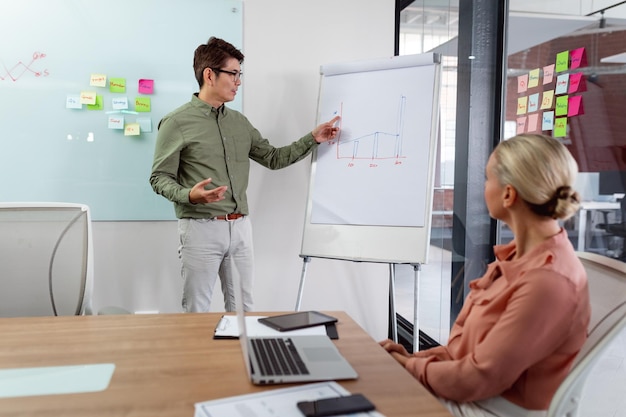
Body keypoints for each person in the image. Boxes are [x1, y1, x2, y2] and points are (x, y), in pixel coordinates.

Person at [380, 134, 591, 417]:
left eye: (487, 178)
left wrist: (406, 367)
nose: (483, 186)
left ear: (508, 194)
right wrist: (412, 359)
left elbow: (477, 378)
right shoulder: (515, 257)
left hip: (490, 408)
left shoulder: (548, 282)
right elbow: (463, 352)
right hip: (472, 397)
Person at [150, 37, 340, 313]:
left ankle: (241, 358)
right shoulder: (176, 122)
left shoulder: (239, 123)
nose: (238, 81)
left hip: (240, 229)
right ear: (209, 75)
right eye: (234, 74)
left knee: (243, 311)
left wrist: (312, 138)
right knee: (196, 312)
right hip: (200, 229)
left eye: (240, 75)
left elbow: (273, 158)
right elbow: (159, 177)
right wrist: (188, 195)